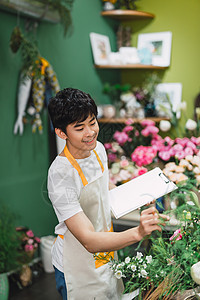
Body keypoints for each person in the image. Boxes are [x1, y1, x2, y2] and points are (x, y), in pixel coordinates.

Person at [47, 88, 169, 300]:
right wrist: (138, 233)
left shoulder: (98, 150)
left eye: (92, 122)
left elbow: (104, 187)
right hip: (76, 262)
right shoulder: (60, 174)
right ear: (61, 133)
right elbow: (89, 241)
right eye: (79, 128)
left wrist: (139, 195)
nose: (90, 132)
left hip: (106, 250)